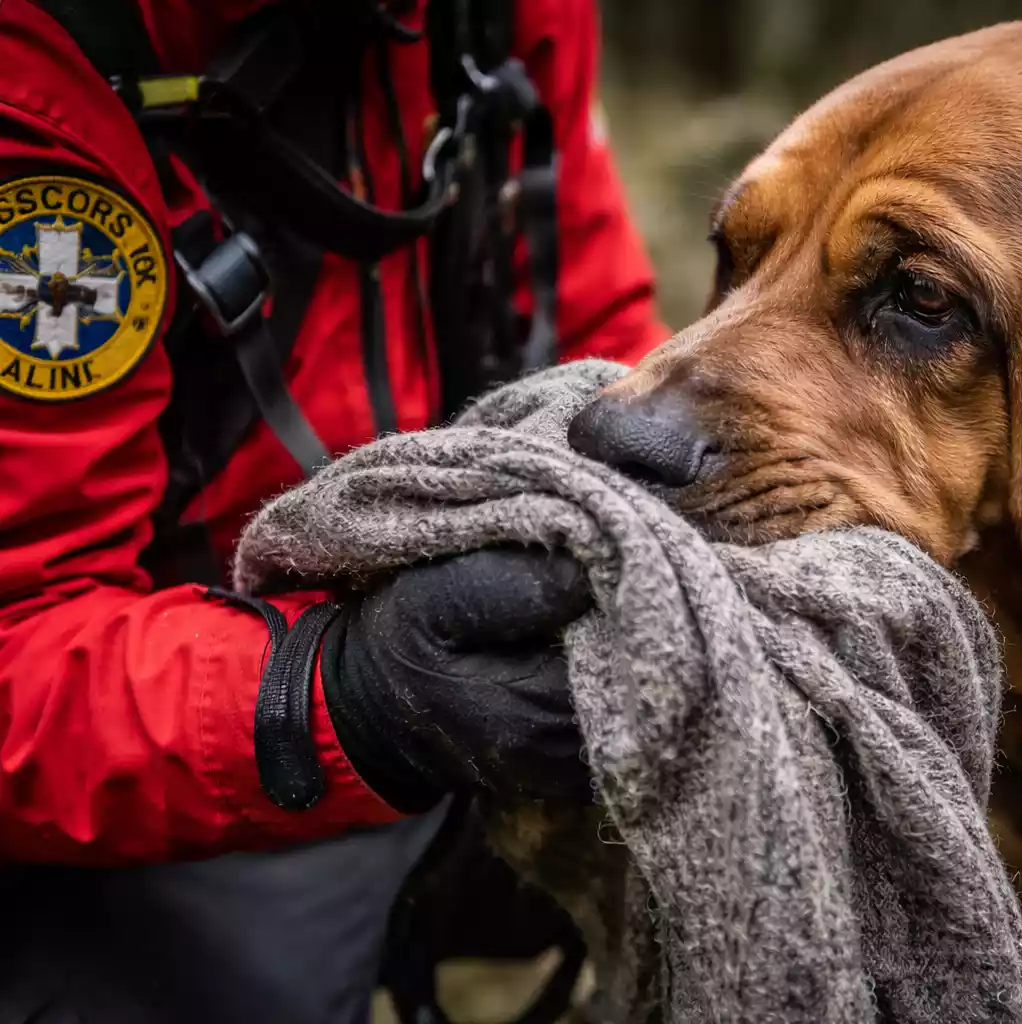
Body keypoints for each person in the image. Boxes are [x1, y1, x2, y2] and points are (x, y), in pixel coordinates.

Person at [0, 1, 668, 1021]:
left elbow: (591, 314)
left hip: (435, 659)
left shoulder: (501, 14)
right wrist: (344, 697)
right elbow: (18, 642)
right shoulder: (36, 73)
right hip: (168, 718)